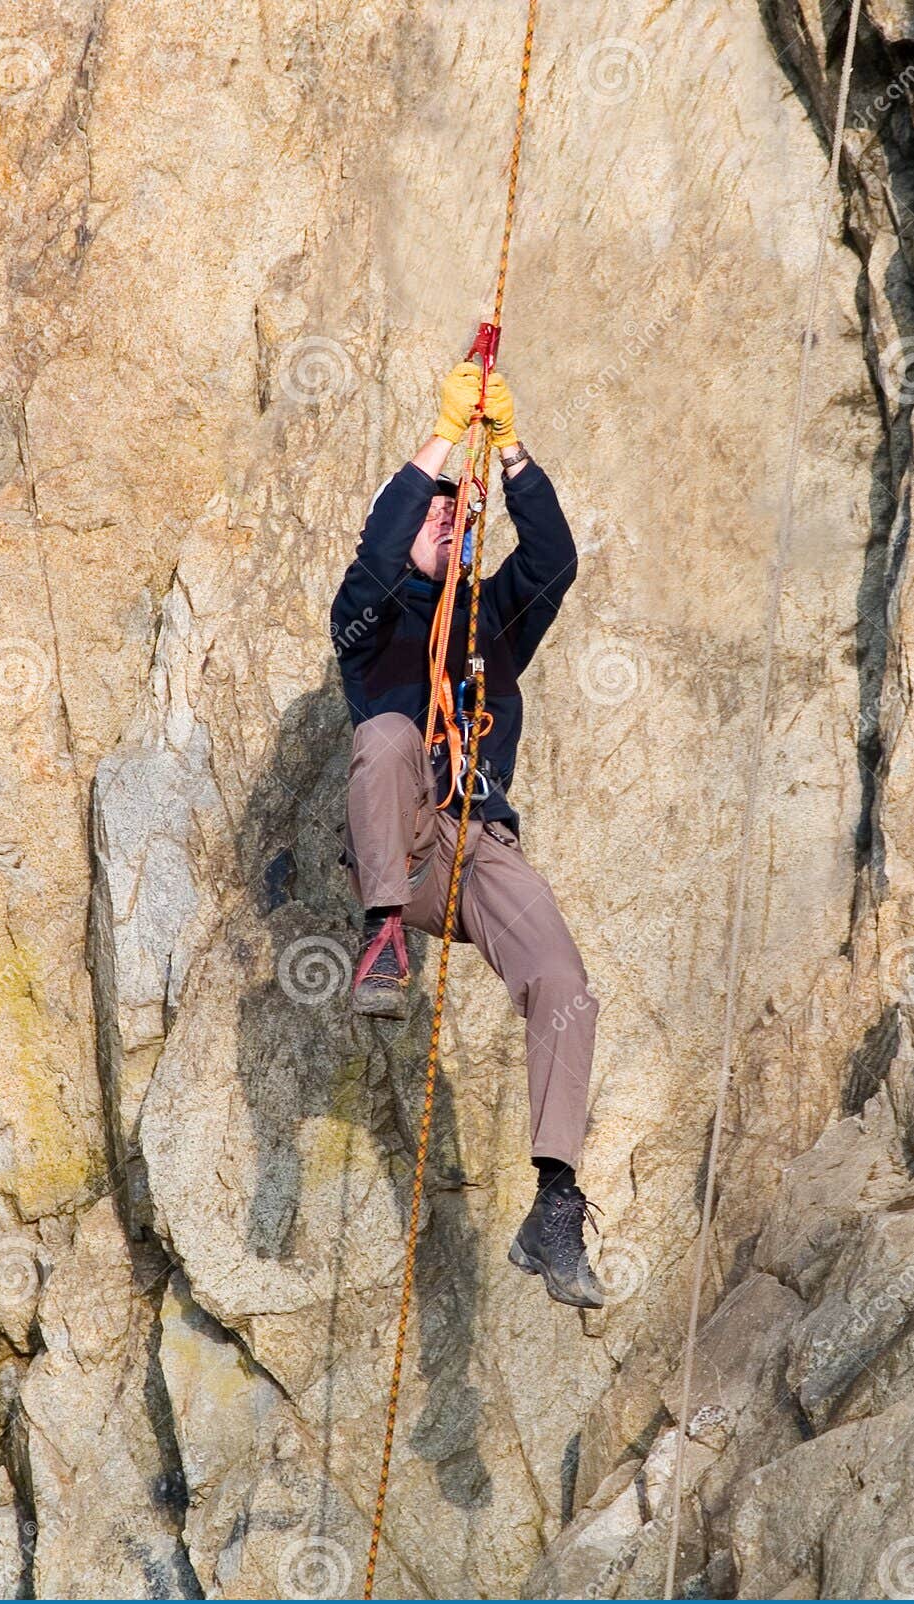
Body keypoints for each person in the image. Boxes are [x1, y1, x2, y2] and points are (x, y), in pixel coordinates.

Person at [330, 360, 603, 1310]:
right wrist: (441, 445)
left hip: (478, 841)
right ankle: (381, 941)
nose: (446, 526)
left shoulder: (494, 619)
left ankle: (555, 1201)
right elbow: (376, 553)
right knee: (387, 734)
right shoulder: (369, 621)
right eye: (430, 521)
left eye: (458, 519)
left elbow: (555, 559)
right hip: (401, 846)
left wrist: (512, 450)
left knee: (563, 984)